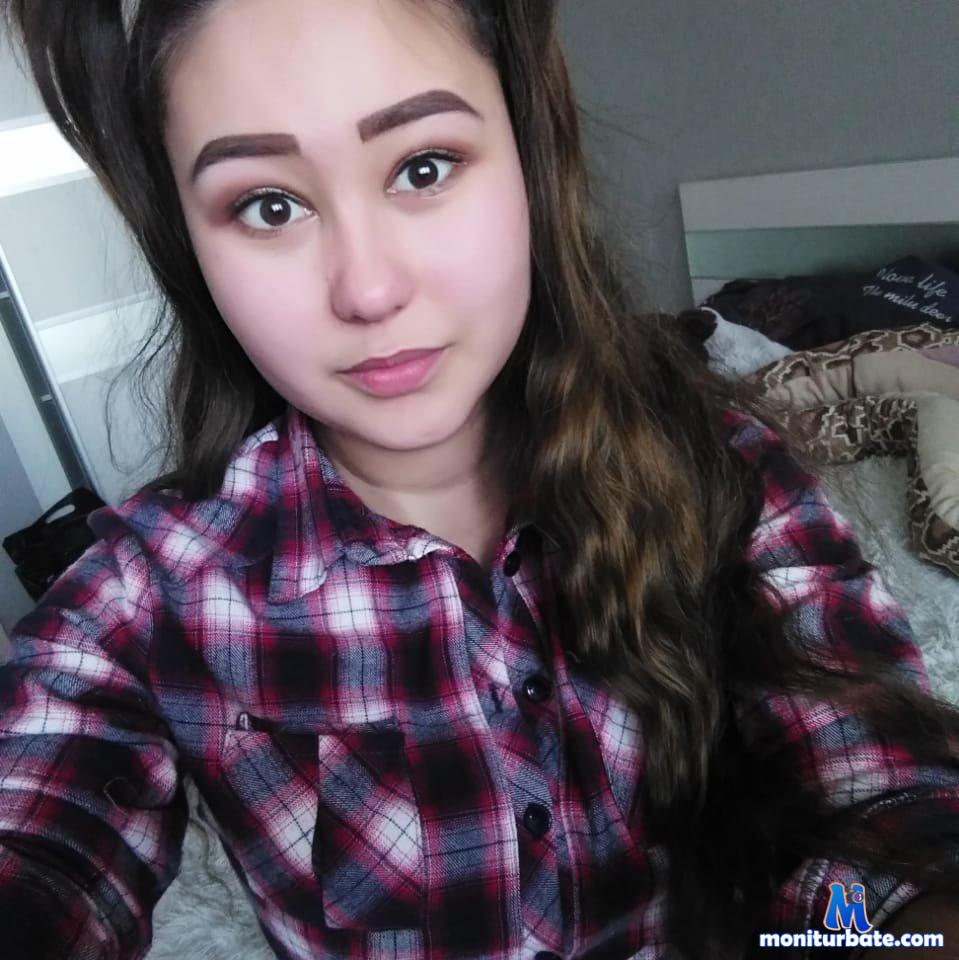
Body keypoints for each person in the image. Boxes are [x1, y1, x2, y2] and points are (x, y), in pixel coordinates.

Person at [0, 1, 957, 958]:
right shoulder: (145, 600)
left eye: (423, 167)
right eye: (269, 206)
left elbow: (879, 796)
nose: (368, 290)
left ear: (530, 158)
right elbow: (40, 841)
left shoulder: (723, 469)